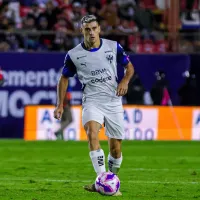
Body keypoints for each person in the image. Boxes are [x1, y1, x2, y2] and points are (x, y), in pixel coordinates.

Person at [53, 15, 134, 196]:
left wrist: (125, 81)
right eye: (87, 29)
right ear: (81, 30)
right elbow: (64, 78)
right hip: (91, 101)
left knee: (116, 149)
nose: (91, 32)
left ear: (99, 29)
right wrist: (60, 105)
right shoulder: (74, 54)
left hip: (113, 101)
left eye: (94, 28)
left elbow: (129, 67)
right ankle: (101, 180)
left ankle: (111, 180)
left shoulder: (113, 47)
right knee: (91, 133)